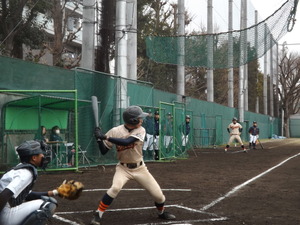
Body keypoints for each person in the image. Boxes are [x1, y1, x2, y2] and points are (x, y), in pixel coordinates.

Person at [90, 105, 176, 225]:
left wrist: (104, 136)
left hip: (140, 168)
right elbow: (104, 151)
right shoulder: (115, 131)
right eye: (140, 118)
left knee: (159, 196)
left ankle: (161, 213)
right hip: (123, 168)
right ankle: (98, 214)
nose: (142, 120)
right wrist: (99, 140)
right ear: (133, 120)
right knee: (115, 188)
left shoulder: (141, 130)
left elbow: (127, 141)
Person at [0, 140, 57, 225]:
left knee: (47, 200)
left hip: (4, 211)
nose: (43, 156)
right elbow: (4, 195)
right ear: (34, 158)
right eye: (41, 153)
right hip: (4, 215)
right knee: (48, 205)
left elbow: (27, 195)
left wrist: (54, 192)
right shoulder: (26, 173)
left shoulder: (20, 168)